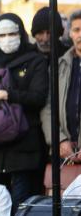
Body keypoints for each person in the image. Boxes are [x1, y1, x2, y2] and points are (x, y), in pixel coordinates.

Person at [0, 13, 48, 212]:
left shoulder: (35, 61)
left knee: (22, 209)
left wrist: (6, 94)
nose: (6, 39)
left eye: (12, 33)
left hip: (25, 148)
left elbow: (38, 97)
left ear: (21, 33)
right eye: (1, 35)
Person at [41, 10, 81, 163]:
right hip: (64, 152)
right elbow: (47, 107)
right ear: (70, 33)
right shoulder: (58, 66)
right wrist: (59, 140)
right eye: (77, 30)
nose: (80, 35)